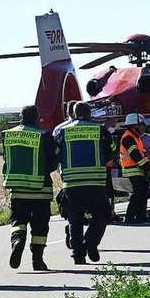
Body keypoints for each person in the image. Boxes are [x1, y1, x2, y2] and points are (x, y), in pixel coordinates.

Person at [54, 102, 115, 264]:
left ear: (73, 114)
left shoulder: (62, 131)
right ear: (89, 114)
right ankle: (91, 242)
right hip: (95, 182)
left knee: (75, 218)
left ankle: (77, 254)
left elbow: (55, 155)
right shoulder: (100, 130)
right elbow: (111, 152)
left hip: (71, 183)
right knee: (102, 213)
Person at [2, 105, 59, 271]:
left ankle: (18, 241)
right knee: (40, 226)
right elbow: (55, 157)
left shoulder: (8, 135)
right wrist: (43, 169)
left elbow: (7, 159)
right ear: (37, 117)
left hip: (18, 190)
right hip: (40, 189)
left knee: (18, 221)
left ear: (21, 116)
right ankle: (37, 260)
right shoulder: (44, 135)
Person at [119, 113, 150, 223]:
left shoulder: (134, 137)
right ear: (135, 125)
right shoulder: (128, 137)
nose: (143, 127)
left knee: (142, 192)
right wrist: (147, 167)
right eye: (141, 124)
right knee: (138, 193)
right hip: (132, 169)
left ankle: (140, 216)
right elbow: (135, 155)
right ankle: (130, 217)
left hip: (137, 169)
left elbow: (141, 154)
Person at [104, 117, 123, 223]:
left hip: (104, 168)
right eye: (113, 126)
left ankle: (110, 212)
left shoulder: (102, 134)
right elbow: (113, 149)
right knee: (109, 192)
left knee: (107, 192)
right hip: (105, 168)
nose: (114, 128)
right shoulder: (106, 135)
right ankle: (110, 213)